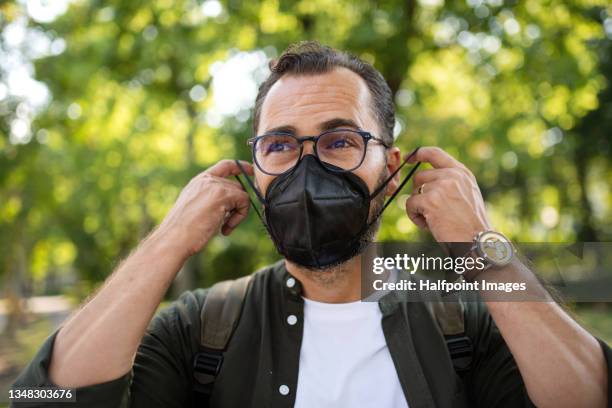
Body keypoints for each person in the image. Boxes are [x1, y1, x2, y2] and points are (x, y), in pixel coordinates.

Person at [13, 41, 610, 408]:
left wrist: (483, 248)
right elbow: (41, 397)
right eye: (280, 145)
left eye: (340, 140)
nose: (307, 165)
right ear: (254, 171)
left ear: (392, 167)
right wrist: (167, 241)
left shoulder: (463, 324)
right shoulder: (202, 327)